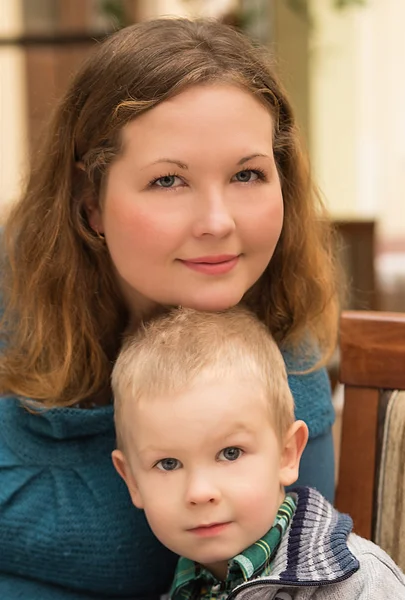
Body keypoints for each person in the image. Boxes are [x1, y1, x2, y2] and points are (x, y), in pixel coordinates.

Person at [0, 17, 339, 599]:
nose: (218, 222)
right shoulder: (15, 312)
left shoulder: (282, 368)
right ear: (91, 204)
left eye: (247, 173)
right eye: (168, 182)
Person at [111, 307, 405, 600]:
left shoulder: (359, 582)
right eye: (169, 463)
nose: (200, 492)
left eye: (230, 453)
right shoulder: (189, 588)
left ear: (287, 454)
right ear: (132, 480)